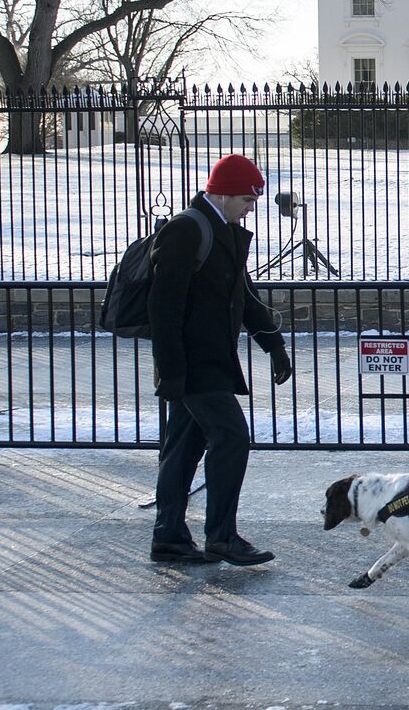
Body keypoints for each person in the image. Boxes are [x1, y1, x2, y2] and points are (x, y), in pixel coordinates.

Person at [148, 153, 294, 567]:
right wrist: (171, 370)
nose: (251, 209)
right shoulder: (185, 230)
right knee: (231, 438)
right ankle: (222, 537)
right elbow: (164, 307)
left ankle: (170, 538)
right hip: (193, 364)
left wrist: (274, 345)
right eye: (248, 200)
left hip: (212, 359)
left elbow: (243, 298)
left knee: (183, 448)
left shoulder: (224, 231)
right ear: (225, 193)